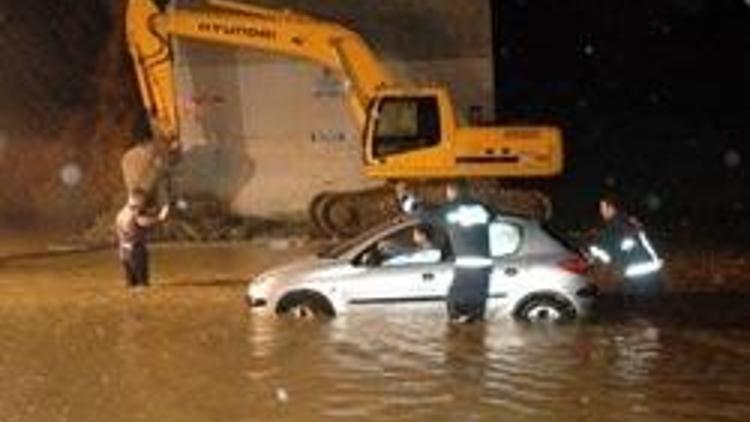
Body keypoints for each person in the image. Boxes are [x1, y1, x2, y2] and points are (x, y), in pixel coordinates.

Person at [425, 181, 494, 323]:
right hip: (484, 266)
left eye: (447, 192)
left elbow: (426, 215)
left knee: (454, 305)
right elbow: (493, 214)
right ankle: (476, 333)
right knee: (476, 307)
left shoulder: (450, 210)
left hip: (466, 266)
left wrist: (406, 200)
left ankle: (460, 335)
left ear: (451, 191)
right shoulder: (482, 208)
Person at [587, 194, 664, 300]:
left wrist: (593, 251)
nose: (601, 211)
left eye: (603, 207)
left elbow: (610, 254)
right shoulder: (625, 219)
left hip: (640, 271)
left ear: (611, 208)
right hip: (651, 266)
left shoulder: (616, 225)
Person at [115, 189, 170, 289]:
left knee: (131, 285)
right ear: (138, 202)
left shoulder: (121, 213)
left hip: (123, 252)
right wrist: (160, 217)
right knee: (142, 285)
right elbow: (143, 222)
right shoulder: (134, 215)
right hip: (135, 253)